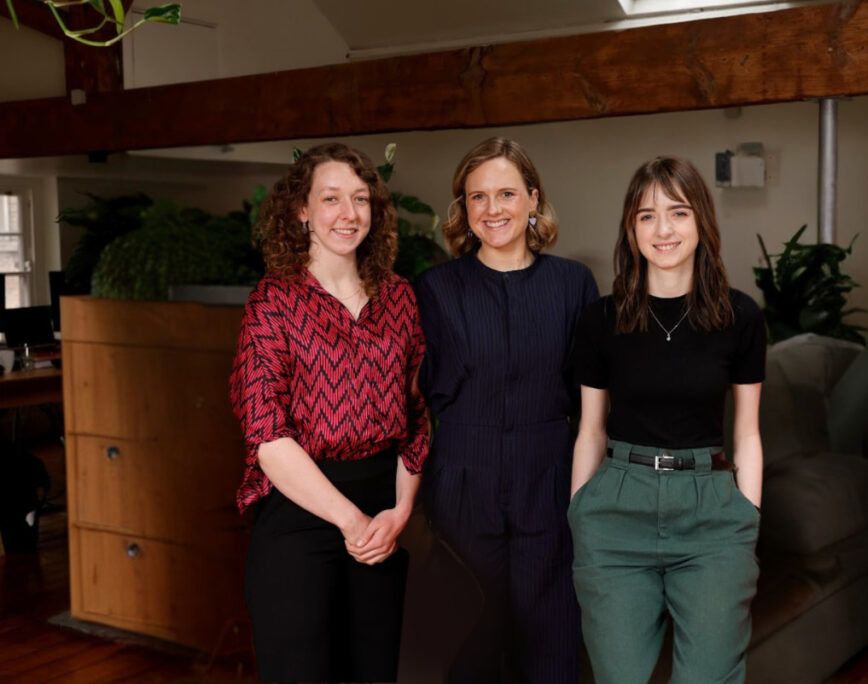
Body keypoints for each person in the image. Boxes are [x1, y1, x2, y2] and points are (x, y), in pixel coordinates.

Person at [229, 142, 429, 683]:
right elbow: (266, 436)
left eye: (360, 199)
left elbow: (418, 415)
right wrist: (350, 521)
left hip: (384, 516)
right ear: (302, 210)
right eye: (332, 198)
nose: (349, 214)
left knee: (376, 672)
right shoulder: (272, 303)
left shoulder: (400, 297)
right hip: (300, 516)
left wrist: (398, 513)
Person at [569, 157, 766, 683]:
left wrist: (748, 518)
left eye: (678, 213)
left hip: (712, 515)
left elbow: (747, 430)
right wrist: (580, 512)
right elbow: (590, 428)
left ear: (700, 220)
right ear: (631, 230)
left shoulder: (739, 316)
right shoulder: (601, 319)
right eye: (646, 216)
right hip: (615, 510)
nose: (663, 230)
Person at [414, 137, 598, 683]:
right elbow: (415, 396)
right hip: (462, 472)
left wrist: (584, 493)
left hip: (550, 470)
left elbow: (591, 403)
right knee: (471, 630)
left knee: (552, 634)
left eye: (506, 194)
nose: (493, 209)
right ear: (463, 210)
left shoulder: (573, 284)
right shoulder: (436, 288)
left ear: (533, 199)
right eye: (478, 198)